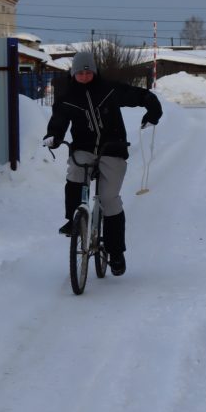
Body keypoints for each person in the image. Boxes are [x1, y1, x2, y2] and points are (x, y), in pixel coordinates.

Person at [42, 50, 162, 276]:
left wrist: (152, 107)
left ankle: (116, 252)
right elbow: (58, 122)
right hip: (84, 148)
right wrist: (53, 137)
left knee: (109, 199)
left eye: (88, 72)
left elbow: (138, 96)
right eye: (80, 73)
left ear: (95, 72)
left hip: (113, 148)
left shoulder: (109, 90)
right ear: (73, 74)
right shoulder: (67, 97)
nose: (84, 76)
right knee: (75, 174)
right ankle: (73, 220)